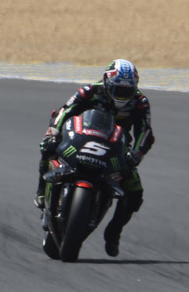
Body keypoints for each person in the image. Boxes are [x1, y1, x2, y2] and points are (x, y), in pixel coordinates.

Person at [34, 59, 155, 257]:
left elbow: (145, 131)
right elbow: (64, 111)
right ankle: (41, 190)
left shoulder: (140, 102)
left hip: (115, 150)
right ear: (107, 83)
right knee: (47, 149)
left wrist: (137, 153)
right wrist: (53, 133)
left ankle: (114, 232)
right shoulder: (89, 91)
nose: (123, 95)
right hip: (79, 139)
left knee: (134, 193)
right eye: (118, 90)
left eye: (128, 90)